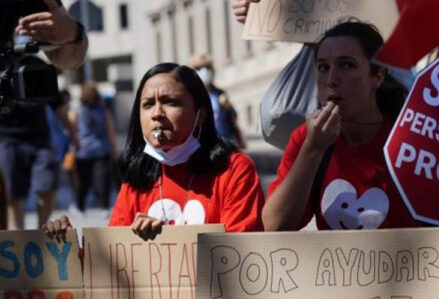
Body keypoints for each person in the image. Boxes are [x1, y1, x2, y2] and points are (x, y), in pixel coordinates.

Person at [43, 63, 265, 240]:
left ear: (202, 115)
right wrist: (66, 243)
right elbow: (111, 266)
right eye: (148, 104)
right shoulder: (137, 178)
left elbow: (240, 256)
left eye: (170, 102)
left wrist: (168, 240)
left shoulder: (234, 169)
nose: (157, 113)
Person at [262, 21, 422, 231]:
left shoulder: (413, 138)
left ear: (378, 77)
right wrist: (312, 149)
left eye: (347, 65)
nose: (332, 80)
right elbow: (273, 226)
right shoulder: (307, 138)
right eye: (323, 67)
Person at [0, 0, 88, 229]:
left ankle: (39, 237)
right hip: (6, 139)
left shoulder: (31, 60)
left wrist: (71, 32)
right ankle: (18, 240)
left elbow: (58, 101)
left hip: (38, 138)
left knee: (47, 187)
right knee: (12, 195)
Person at [71, 82, 117, 216]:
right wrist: (114, 150)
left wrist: (73, 147)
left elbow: (72, 130)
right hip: (100, 150)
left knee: (83, 182)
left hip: (83, 151)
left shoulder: (77, 110)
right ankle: (104, 207)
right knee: (103, 181)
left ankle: (80, 207)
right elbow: (110, 131)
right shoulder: (103, 110)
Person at [187, 54, 247, 149]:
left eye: (207, 68)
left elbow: (234, 116)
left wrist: (228, 107)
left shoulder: (219, 93)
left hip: (224, 141)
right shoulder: (191, 96)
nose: (204, 71)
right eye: (199, 68)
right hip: (202, 144)